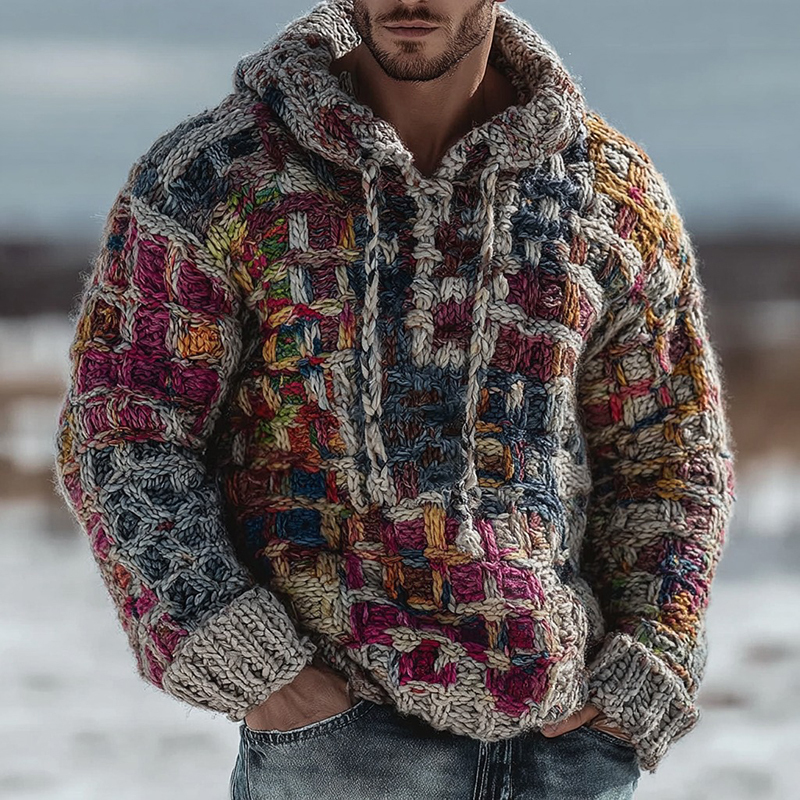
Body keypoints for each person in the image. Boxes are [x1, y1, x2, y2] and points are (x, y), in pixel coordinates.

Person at [53, 0, 737, 797]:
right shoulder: (218, 174)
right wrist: (257, 666)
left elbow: (671, 455)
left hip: (567, 751)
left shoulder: (610, 194)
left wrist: (652, 654)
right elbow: (122, 429)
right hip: (338, 748)